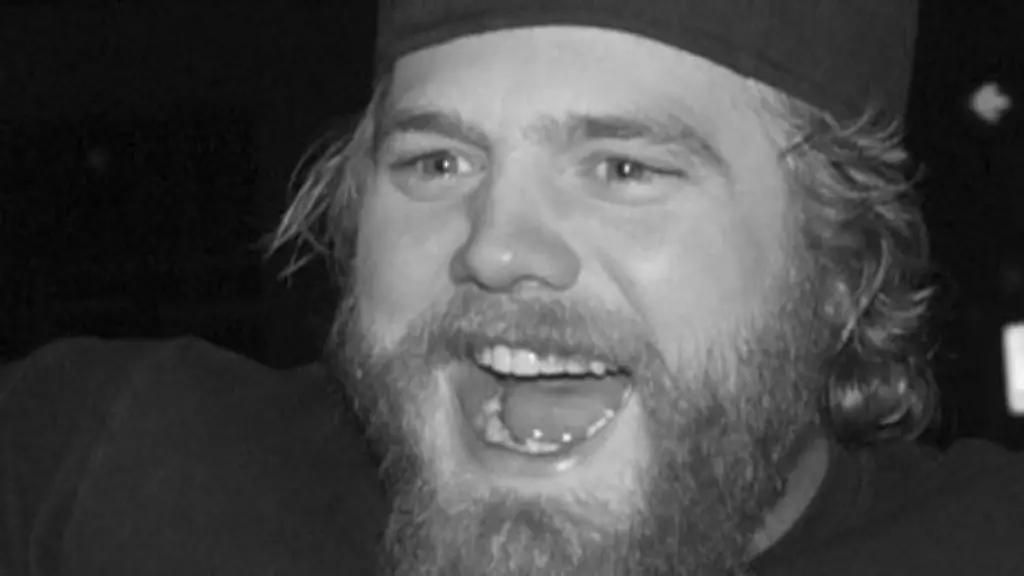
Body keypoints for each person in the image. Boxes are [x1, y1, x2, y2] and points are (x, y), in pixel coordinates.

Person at [2, 1, 1024, 575]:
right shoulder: (107, 475)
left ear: (839, 262)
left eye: (624, 168)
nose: (494, 248)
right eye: (436, 163)